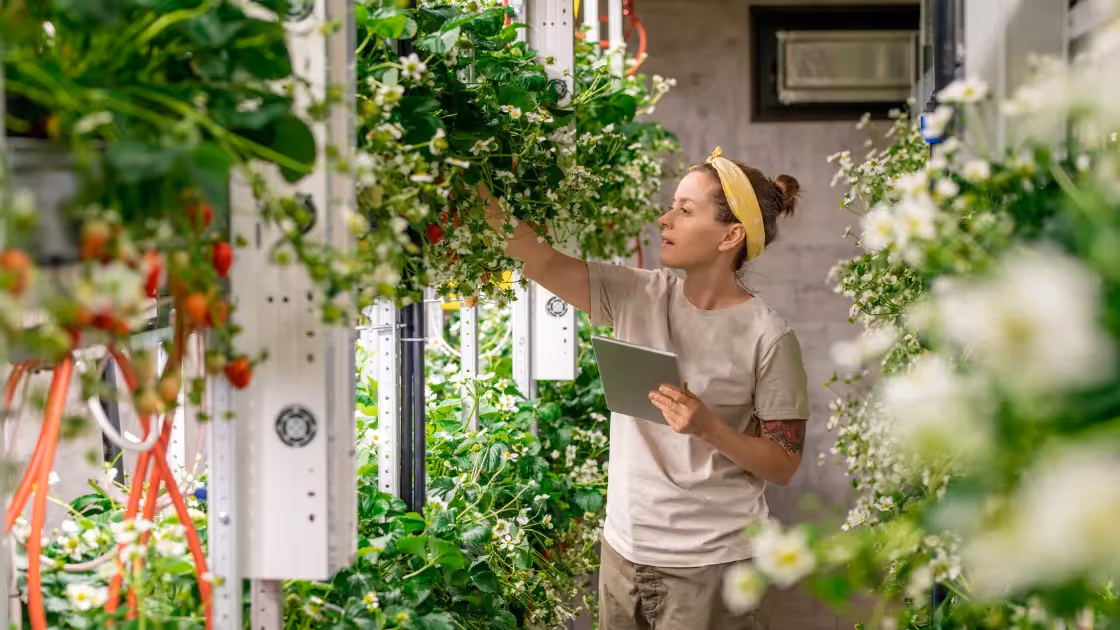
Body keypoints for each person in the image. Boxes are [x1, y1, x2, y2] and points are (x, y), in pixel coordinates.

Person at [479, 147, 810, 630]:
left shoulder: (769, 337)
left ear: (731, 235)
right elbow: (537, 259)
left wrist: (708, 427)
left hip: (710, 566)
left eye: (685, 209)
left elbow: (783, 464)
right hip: (624, 552)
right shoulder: (636, 294)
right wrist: (467, 177)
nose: (665, 217)